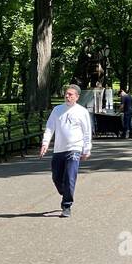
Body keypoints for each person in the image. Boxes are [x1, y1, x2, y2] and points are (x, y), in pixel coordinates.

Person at [39, 85, 92, 217]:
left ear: (77, 97)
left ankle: (66, 205)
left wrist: (87, 148)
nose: (67, 97)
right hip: (59, 149)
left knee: (69, 177)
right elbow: (50, 127)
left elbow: (87, 132)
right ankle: (66, 191)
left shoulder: (82, 112)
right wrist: (45, 143)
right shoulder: (57, 110)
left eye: (71, 95)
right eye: (66, 94)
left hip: (74, 148)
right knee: (56, 177)